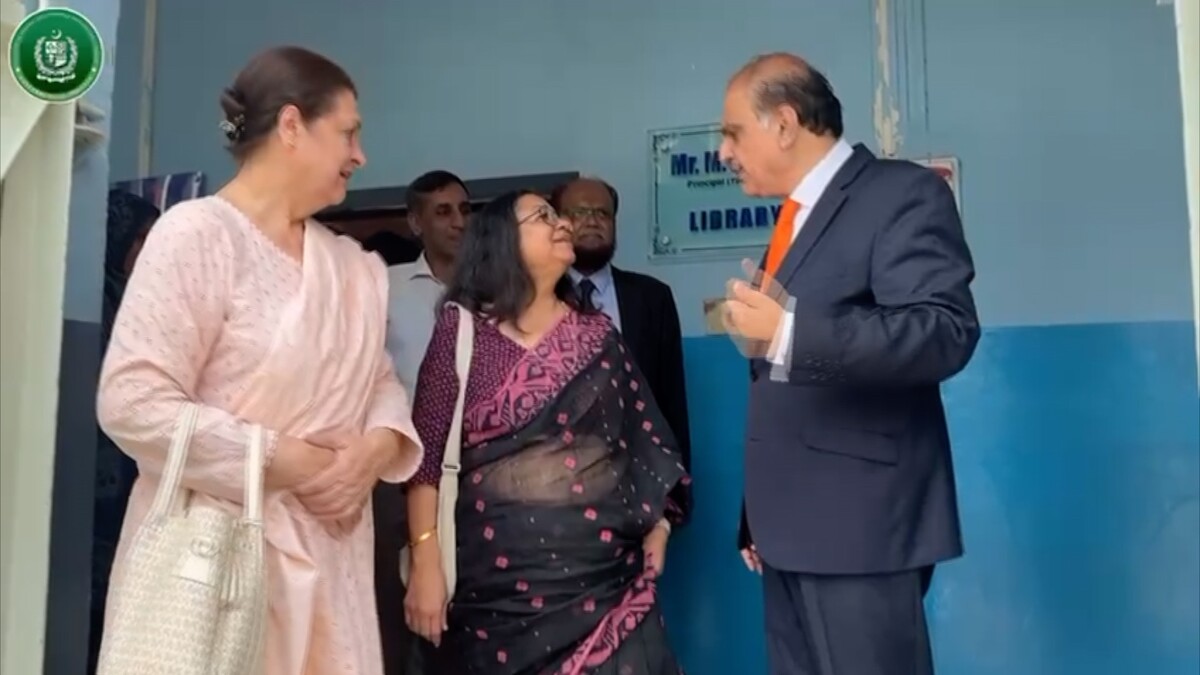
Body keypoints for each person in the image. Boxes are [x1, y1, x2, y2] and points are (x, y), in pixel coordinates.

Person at [95, 45, 423, 675]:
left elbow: (378, 380)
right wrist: (286, 460)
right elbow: (132, 402)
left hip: (331, 557)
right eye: (349, 133)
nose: (361, 155)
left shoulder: (350, 267)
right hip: (215, 563)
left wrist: (374, 451)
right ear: (293, 125)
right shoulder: (198, 235)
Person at [718, 53, 980, 675]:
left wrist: (787, 331)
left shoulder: (901, 194)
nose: (724, 153)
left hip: (860, 526)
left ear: (785, 124)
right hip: (788, 528)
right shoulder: (796, 218)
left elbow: (944, 331)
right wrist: (759, 513)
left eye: (733, 133)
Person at [402, 190, 691, 674]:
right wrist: (426, 565)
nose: (563, 224)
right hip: (495, 598)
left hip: (607, 584)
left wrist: (660, 525)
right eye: (543, 216)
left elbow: (645, 440)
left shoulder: (598, 337)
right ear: (503, 241)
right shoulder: (463, 333)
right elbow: (425, 461)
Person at [376, 169, 472, 674]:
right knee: (403, 614)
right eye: (443, 212)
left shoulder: (497, 287)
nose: (458, 222)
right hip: (401, 476)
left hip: (478, 474)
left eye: (464, 210)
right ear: (416, 223)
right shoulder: (385, 287)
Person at [551, 176, 692, 476]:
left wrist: (678, 481)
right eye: (580, 212)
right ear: (558, 223)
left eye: (602, 213)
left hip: (639, 471)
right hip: (558, 476)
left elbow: (671, 400)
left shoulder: (652, 297)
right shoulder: (538, 297)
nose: (593, 221)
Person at [90, 189, 161, 673]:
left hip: (128, 471)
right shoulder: (96, 302)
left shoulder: (134, 302)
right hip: (94, 474)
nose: (149, 251)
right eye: (140, 239)